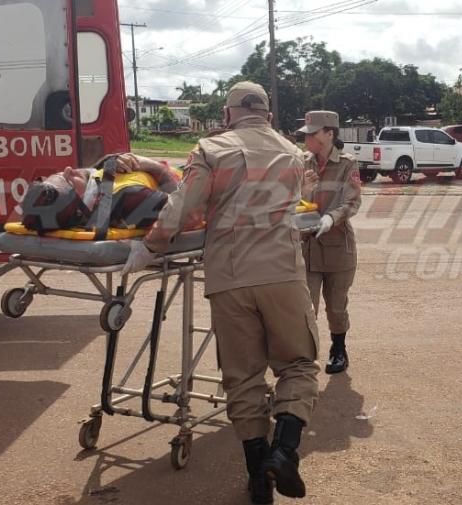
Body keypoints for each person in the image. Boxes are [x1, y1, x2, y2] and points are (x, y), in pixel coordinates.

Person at [123, 81, 320, 504]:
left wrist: (150, 246)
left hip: (229, 276)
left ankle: (258, 481)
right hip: (282, 274)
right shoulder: (294, 153)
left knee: (243, 378)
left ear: (229, 114)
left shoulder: (212, 150)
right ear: (267, 114)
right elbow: (299, 199)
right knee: (299, 365)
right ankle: (283, 451)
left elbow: (184, 207)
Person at [299, 111, 361, 375]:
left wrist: (330, 219)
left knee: (336, 306)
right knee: (304, 307)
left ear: (329, 134)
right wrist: (303, 193)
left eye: (312, 133)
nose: (307, 139)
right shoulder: (302, 163)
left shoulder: (347, 164)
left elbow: (352, 201)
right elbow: (289, 200)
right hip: (308, 248)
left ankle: (338, 350)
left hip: (338, 248)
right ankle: (303, 359)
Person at [19, 153, 181, 233]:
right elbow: (186, 207)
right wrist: (154, 167)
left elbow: (97, 172)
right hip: (190, 181)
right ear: (79, 208)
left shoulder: (98, 193)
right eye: (68, 179)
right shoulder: (131, 198)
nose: (69, 169)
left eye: (57, 174)